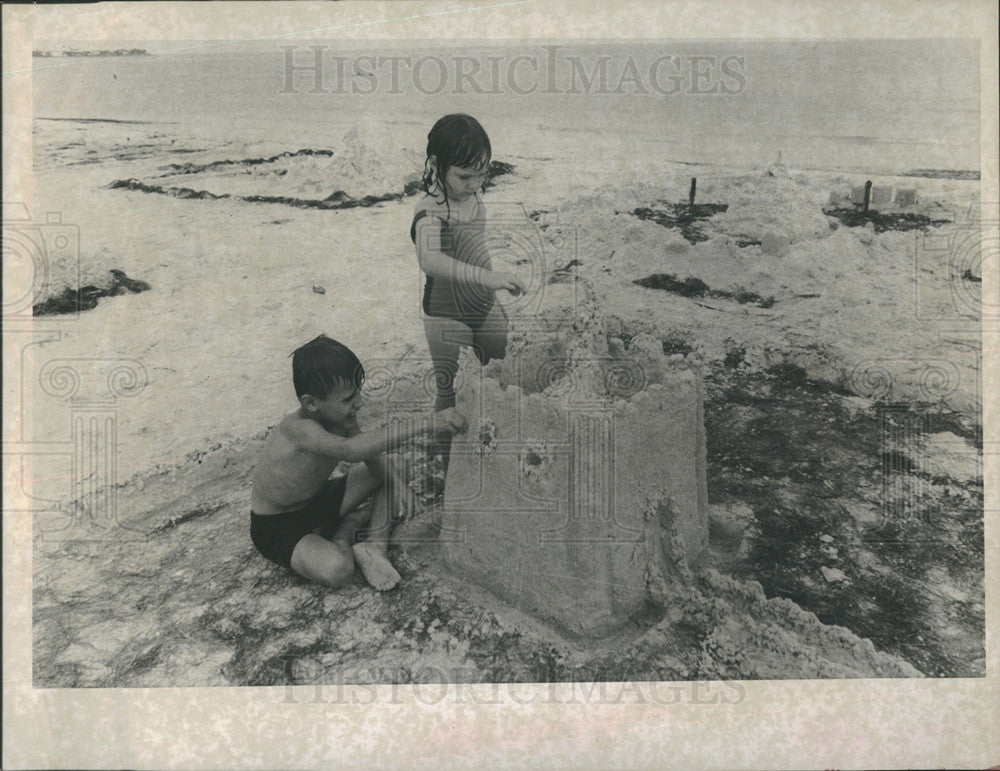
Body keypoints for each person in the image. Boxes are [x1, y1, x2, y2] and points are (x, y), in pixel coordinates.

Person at [250, 334, 468, 590]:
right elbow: (351, 450)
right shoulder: (298, 429)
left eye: (358, 393)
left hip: (318, 501)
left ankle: (375, 546)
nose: (359, 403)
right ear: (310, 403)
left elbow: (369, 454)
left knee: (397, 465)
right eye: (347, 399)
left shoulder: (340, 418)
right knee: (338, 569)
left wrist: (398, 486)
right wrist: (427, 422)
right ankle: (347, 529)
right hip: (279, 525)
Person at [410, 114, 526, 472]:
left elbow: (474, 244)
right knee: (451, 394)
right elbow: (430, 260)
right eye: (464, 176)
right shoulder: (429, 211)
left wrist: (495, 279)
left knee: (505, 372)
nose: (475, 184)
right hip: (445, 313)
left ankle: (496, 453)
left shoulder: (473, 196)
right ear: (435, 165)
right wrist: (487, 278)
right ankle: (450, 471)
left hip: (483, 304)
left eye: (482, 174)